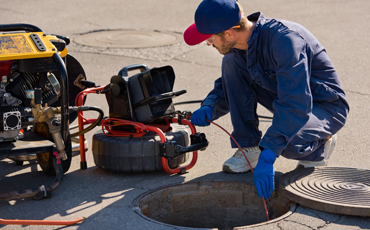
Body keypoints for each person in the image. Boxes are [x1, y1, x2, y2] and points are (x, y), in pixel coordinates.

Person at [184, 0, 349, 199]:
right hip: (288, 97)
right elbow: (230, 83)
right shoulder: (241, 44)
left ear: (229, 33)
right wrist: (210, 106)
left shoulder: (285, 41)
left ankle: (320, 144)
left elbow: (295, 103)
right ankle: (249, 148)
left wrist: (269, 153)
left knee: (285, 143)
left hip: (325, 106)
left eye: (210, 38)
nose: (207, 43)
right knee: (231, 62)